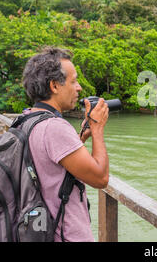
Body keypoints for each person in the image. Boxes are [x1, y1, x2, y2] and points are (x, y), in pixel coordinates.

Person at [22, 46, 109, 242]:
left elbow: (50, 162)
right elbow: (100, 178)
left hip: (40, 229)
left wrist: (81, 139)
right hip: (65, 235)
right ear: (54, 86)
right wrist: (97, 129)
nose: (78, 87)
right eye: (74, 81)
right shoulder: (55, 127)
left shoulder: (27, 119)